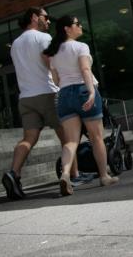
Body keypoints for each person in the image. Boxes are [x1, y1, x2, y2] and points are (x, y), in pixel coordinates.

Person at [2, 7, 78, 200]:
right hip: (48, 94)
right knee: (68, 137)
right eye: (46, 17)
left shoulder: (16, 44)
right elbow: (50, 62)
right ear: (35, 17)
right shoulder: (43, 38)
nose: (49, 21)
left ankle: (14, 173)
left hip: (26, 98)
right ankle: (71, 176)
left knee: (28, 139)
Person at [43, 15, 119, 196]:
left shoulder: (54, 53)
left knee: (70, 141)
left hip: (64, 95)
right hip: (84, 90)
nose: (80, 26)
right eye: (77, 24)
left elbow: (55, 79)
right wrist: (91, 91)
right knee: (96, 137)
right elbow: (85, 69)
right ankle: (103, 176)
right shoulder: (80, 47)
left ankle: (66, 173)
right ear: (67, 29)